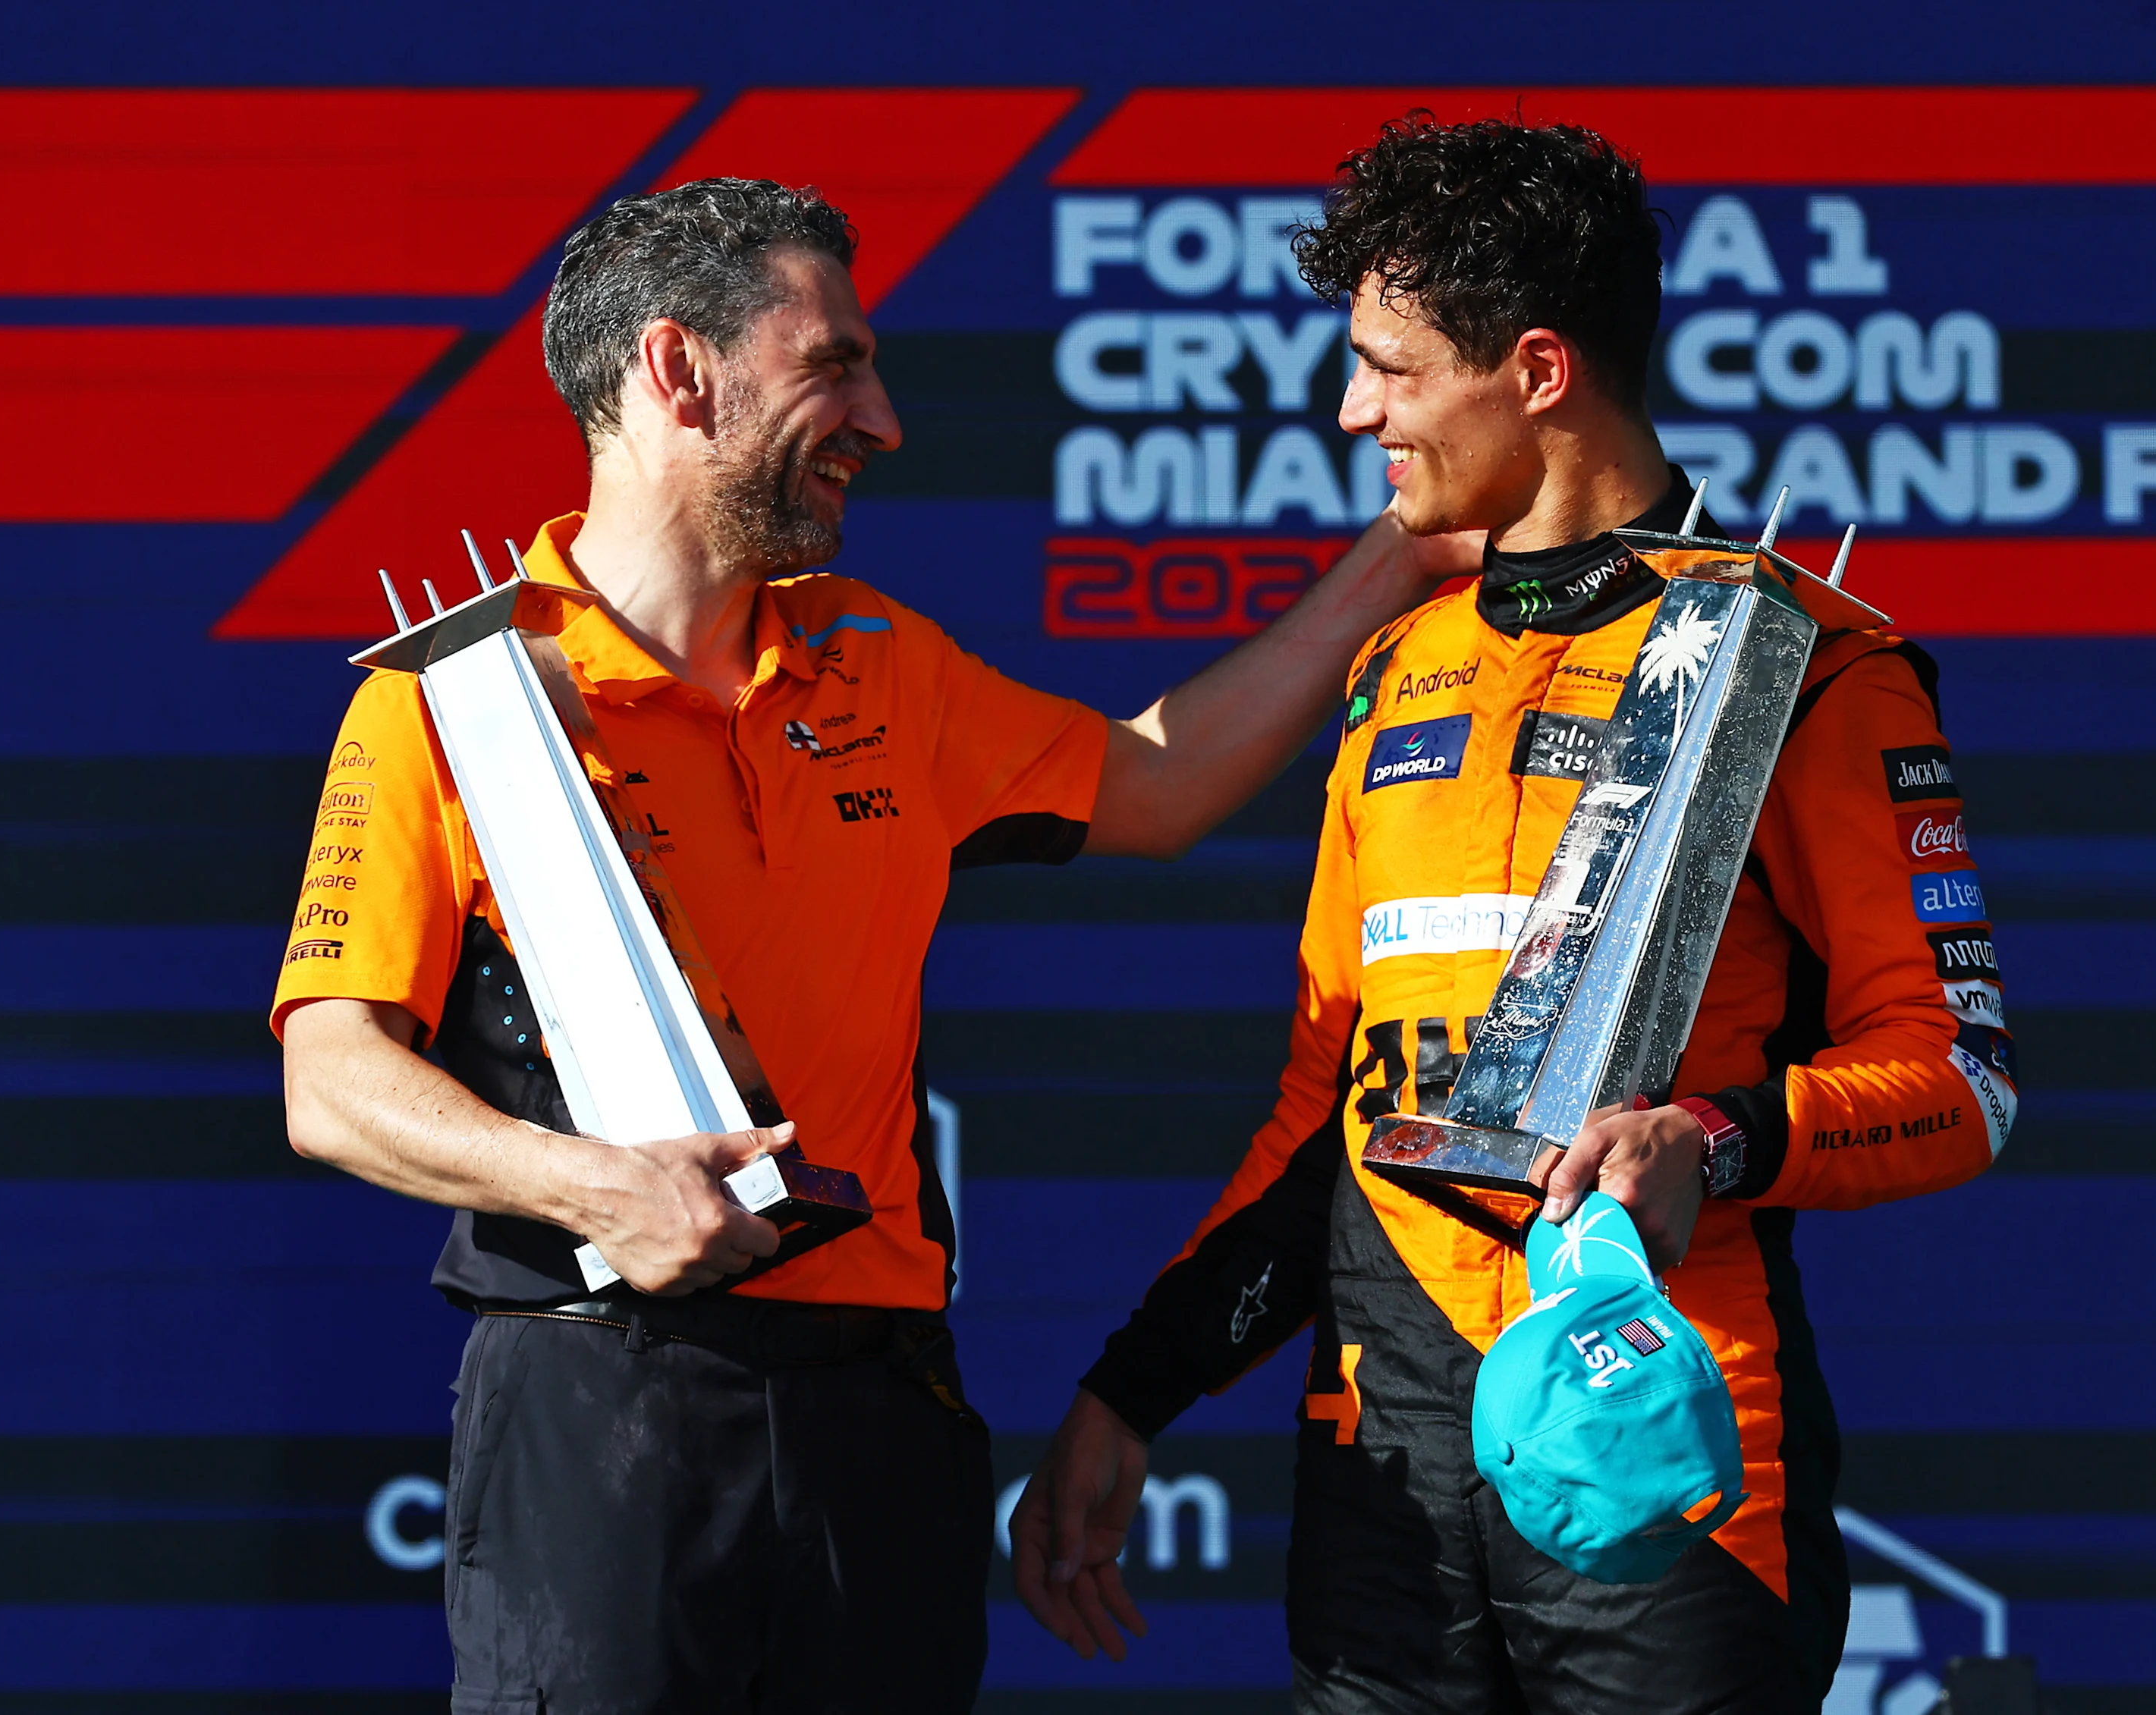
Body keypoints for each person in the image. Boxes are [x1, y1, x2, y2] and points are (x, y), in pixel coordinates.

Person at [273, 178, 1474, 1713]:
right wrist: (590, 1184)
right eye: (832, 361)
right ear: (676, 370)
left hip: (882, 1405)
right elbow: (332, 1072)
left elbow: (1160, 783)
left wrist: (1406, 549)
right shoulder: (458, 700)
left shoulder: (880, 662)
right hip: (598, 1395)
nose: (883, 417)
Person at [1013, 115, 2016, 1713]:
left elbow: (1963, 1077)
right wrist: (1133, 1391)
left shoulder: (1804, 663)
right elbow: (1323, 1112)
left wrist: (1716, 1138)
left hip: (1661, 1442)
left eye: (1390, 369)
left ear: (1536, 370)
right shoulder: (1396, 666)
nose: (1353, 412)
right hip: (1382, 1466)